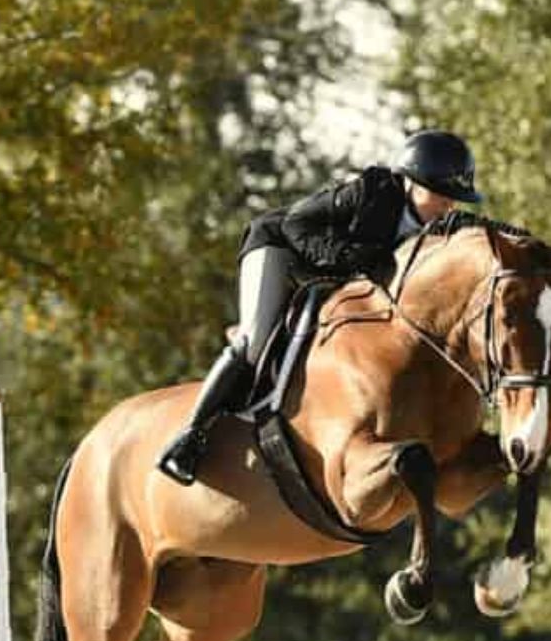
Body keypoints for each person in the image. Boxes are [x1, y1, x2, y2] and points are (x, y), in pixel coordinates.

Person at [157, 129, 484, 485]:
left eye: (454, 199)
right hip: (278, 248)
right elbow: (295, 223)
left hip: (327, 277)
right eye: (439, 195)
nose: (447, 206)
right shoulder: (367, 193)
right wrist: (348, 260)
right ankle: (190, 437)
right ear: (410, 183)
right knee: (253, 340)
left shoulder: (443, 229)